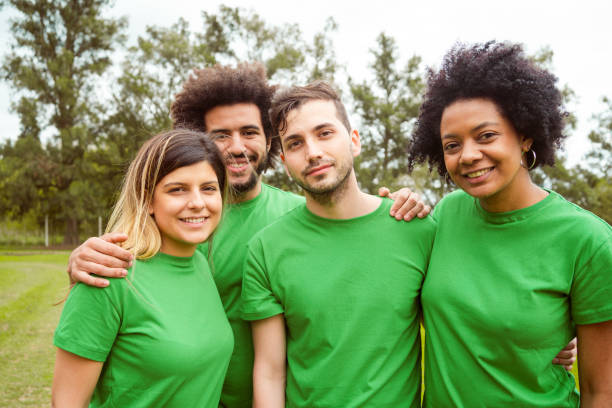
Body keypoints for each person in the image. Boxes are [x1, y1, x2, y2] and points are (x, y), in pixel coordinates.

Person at [65, 63, 430, 407]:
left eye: (250, 132)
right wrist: (81, 258)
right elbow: (123, 269)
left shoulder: (296, 214)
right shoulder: (177, 223)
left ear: (270, 145)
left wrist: (406, 202)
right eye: (220, 135)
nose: (237, 147)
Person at [408, 41, 612, 407]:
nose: (468, 155)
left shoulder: (588, 241)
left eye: (486, 136)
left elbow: (602, 392)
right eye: (452, 145)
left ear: (524, 136)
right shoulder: (445, 215)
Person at [241, 81, 437, 407]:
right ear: (286, 162)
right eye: (295, 143)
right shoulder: (265, 249)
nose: (313, 152)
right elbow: (270, 372)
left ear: (354, 141)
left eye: (325, 133)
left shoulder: (416, 228)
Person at [52, 129, 234, 407]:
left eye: (209, 188)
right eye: (177, 189)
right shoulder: (109, 275)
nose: (198, 203)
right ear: (148, 199)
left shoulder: (200, 262)